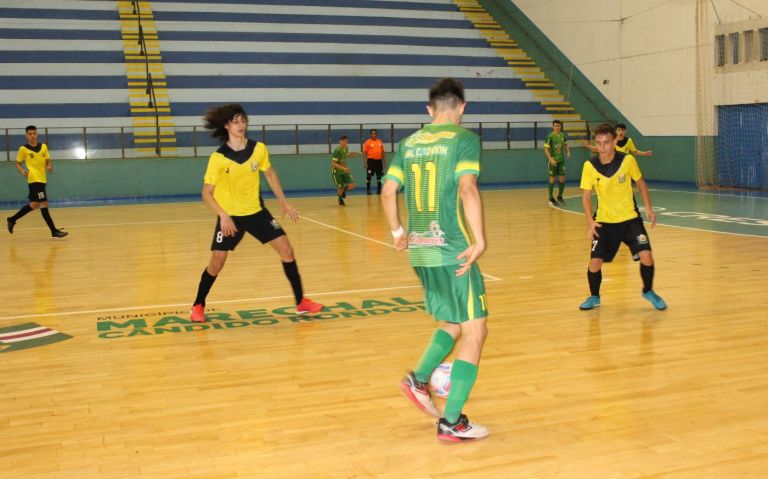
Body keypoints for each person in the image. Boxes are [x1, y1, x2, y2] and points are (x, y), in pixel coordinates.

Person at [381, 78, 489, 442]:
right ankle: (452, 421)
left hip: (421, 249)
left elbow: (387, 191)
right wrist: (479, 240)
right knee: (476, 330)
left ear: (429, 110)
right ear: (462, 107)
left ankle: (419, 378)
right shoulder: (464, 139)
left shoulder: (408, 143)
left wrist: (398, 233)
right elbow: (467, 187)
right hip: (453, 249)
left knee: (453, 322)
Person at [190, 104, 324, 323]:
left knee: (287, 251)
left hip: (256, 213)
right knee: (217, 262)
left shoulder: (258, 149)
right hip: (230, 217)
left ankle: (301, 302)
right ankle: (198, 304)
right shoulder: (219, 158)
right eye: (235, 121)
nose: (241, 125)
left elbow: (270, 174)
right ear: (226, 126)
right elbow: (206, 193)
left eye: (243, 120)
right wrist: (223, 215)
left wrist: (284, 203)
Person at [578, 123, 666, 311]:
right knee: (595, 262)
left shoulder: (627, 161)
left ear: (614, 142)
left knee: (647, 256)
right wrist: (590, 221)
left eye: (606, 143)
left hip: (630, 220)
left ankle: (648, 291)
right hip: (604, 222)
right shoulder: (590, 166)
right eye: (599, 143)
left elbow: (641, 184)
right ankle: (594, 297)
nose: (602, 147)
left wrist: (649, 208)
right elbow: (585, 196)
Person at [6, 126, 68, 238]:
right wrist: (22, 171)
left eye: (34, 133)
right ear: (26, 136)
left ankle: (12, 219)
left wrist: (49, 166)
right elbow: (18, 163)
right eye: (30, 134)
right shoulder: (23, 149)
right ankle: (54, 231)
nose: (32, 136)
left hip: (42, 179)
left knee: (34, 205)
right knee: (44, 203)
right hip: (34, 180)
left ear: (37, 134)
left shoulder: (43, 147)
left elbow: (48, 161)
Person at [583, 122, 653, 157]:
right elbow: (597, 149)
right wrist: (587, 146)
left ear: (625, 131)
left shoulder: (629, 140)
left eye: (622, 130)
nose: (620, 132)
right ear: (615, 131)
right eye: (619, 130)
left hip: (624, 165)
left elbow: (635, 151)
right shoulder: (611, 141)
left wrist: (645, 153)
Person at [544, 119, 570, 206]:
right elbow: (546, 149)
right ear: (553, 126)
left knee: (562, 179)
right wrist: (550, 159)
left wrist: (568, 152)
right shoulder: (550, 136)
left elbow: (566, 144)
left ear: (560, 126)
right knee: (552, 179)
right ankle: (551, 198)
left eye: (558, 126)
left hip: (561, 160)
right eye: (555, 126)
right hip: (553, 161)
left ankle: (560, 196)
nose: (557, 127)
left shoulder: (562, 135)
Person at [331, 135, 359, 206]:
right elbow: (333, 163)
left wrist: (354, 154)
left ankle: (343, 191)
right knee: (340, 188)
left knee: (352, 185)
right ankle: (340, 199)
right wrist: (343, 168)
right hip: (337, 172)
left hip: (344, 170)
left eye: (346, 141)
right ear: (339, 142)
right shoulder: (337, 150)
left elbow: (346, 155)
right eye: (343, 141)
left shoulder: (346, 148)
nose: (344, 142)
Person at [362, 129, 386, 195]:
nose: (373, 134)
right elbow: (364, 153)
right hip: (371, 161)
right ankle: (368, 190)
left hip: (379, 161)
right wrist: (365, 162)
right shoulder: (367, 142)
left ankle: (379, 189)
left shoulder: (380, 141)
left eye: (375, 133)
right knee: (369, 176)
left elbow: (383, 152)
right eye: (372, 133)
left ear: (376, 134)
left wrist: (384, 162)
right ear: (370, 134)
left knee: (379, 176)